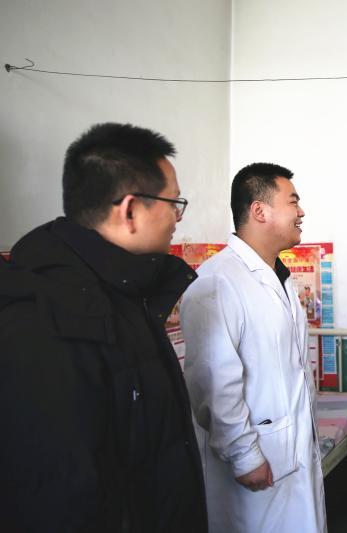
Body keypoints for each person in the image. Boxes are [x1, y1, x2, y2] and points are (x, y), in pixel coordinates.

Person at [0, 123, 207, 532]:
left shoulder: (126, 292)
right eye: (174, 203)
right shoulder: (44, 323)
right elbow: (58, 499)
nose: (177, 218)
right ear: (129, 211)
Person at [181, 162, 326, 533]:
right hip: (257, 460)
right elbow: (213, 382)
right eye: (293, 201)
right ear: (259, 211)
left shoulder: (278, 277)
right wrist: (244, 456)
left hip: (290, 452)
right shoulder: (217, 281)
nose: (301, 212)